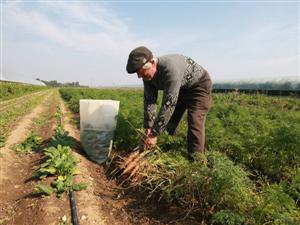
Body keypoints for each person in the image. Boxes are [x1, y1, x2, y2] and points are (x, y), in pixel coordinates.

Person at [126, 46, 212, 160]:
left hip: (198, 87)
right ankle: (165, 150)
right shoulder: (147, 77)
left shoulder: (170, 70)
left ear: (152, 62)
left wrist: (154, 133)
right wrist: (148, 127)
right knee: (170, 122)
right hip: (181, 87)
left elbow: (168, 104)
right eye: (138, 73)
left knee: (195, 122)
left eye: (141, 72)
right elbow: (150, 101)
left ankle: (196, 162)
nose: (139, 76)